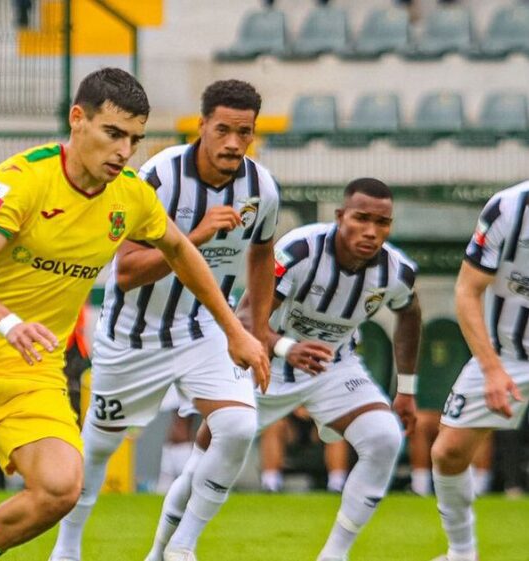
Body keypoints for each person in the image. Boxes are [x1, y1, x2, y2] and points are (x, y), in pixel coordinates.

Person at [0, 68, 268, 561]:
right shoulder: (26, 177)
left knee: (61, 488)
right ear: (77, 119)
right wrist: (9, 322)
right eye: (113, 134)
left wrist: (234, 330)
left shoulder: (129, 195)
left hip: (31, 373)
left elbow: (179, 249)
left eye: (134, 139)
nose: (124, 151)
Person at [50, 78, 280, 561]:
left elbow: (262, 255)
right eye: (224, 130)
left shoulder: (261, 188)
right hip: (132, 337)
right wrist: (193, 235)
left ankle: (177, 547)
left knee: (238, 428)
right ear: (202, 127)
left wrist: (256, 327)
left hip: (202, 331)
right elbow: (128, 270)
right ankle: (66, 549)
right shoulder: (158, 176)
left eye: (245, 132)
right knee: (96, 450)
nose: (234, 143)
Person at [164, 178, 422, 561]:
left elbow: (410, 314)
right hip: (264, 362)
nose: (371, 231)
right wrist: (288, 347)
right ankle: (174, 548)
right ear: (340, 217)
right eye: (361, 218)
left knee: (384, 438)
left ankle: (334, 555)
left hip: (331, 367)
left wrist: (406, 389)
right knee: (208, 452)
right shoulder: (300, 251)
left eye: (381, 223)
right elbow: (248, 316)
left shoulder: (396, 271)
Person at [430, 179, 529, 561]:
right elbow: (467, 291)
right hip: (506, 354)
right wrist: (491, 370)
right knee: (449, 453)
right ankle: (461, 551)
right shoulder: (507, 208)